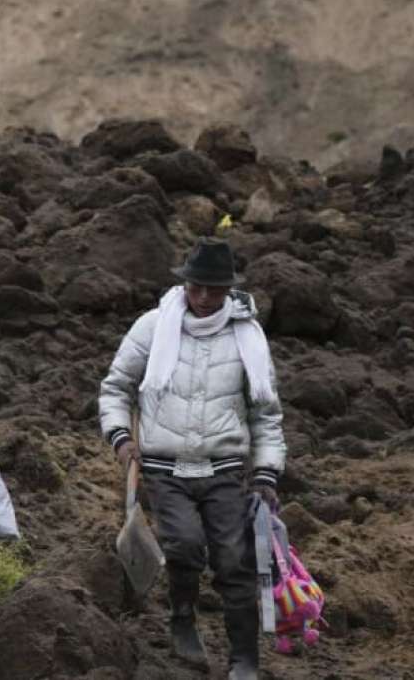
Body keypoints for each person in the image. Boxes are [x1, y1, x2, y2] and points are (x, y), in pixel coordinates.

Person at [98, 237, 286, 680]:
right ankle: (182, 618)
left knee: (234, 559)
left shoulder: (249, 339)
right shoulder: (153, 326)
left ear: (228, 291)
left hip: (223, 469)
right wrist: (121, 437)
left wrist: (266, 473)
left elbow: (266, 414)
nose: (202, 299)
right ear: (185, 284)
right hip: (165, 468)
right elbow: (116, 386)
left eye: (213, 291)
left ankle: (244, 659)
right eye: (195, 288)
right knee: (182, 545)